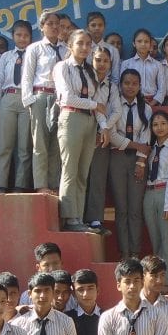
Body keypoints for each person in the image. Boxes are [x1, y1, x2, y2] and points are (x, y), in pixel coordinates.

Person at [56, 29, 105, 232]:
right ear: (70, 46)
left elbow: (100, 103)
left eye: (88, 44)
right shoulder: (62, 67)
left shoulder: (89, 71)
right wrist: (94, 105)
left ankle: (79, 217)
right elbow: (67, 98)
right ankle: (69, 218)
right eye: (80, 43)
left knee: (83, 172)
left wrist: (104, 126)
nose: (85, 48)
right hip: (71, 117)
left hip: (90, 121)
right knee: (70, 169)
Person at [107, 68, 152, 258]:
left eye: (134, 83)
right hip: (117, 157)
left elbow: (147, 137)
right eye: (126, 83)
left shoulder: (146, 108)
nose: (130, 87)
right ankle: (124, 253)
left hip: (137, 160)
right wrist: (135, 145)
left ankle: (135, 252)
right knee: (121, 208)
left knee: (135, 209)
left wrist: (141, 163)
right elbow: (112, 134)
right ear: (120, 85)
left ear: (140, 85)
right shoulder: (113, 106)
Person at [22, 9, 65, 195]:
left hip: (61, 98)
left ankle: (54, 183)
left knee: (56, 143)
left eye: (57, 23)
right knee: (40, 142)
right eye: (50, 23)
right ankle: (41, 184)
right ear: (42, 27)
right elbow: (27, 76)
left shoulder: (66, 49)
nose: (54, 27)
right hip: (40, 95)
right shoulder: (35, 48)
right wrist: (29, 101)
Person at [0, 19, 34, 193]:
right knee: (4, 144)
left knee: (24, 146)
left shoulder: (34, 55)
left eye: (26, 35)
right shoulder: (6, 56)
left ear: (31, 37)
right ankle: (0, 184)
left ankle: (20, 184)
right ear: (13, 36)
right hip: (8, 98)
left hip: (26, 100)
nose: (22, 38)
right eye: (18, 35)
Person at [143, 110, 168, 289]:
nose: (159, 127)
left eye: (163, 123)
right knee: (155, 238)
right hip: (149, 194)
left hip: (164, 192)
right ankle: (156, 279)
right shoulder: (149, 149)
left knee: (167, 239)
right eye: (155, 124)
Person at [83, 45, 117, 234]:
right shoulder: (86, 80)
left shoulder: (112, 86)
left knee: (98, 177)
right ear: (91, 60)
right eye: (98, 60)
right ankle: (77, 216)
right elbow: (95, 108)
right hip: (84, 132)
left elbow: (116, 111)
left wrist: (105, 129)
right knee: (81, 176)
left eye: (105, 60)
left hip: (102, 136)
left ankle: (95, 219)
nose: (101, 64)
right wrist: (102, 126)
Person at [120, 28, 162, 105]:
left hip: (154, 102)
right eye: (139, 41)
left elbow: (162, 89)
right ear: (134, 44)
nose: (143, 44)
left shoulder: (158, 65)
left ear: (150, 44)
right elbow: (122, 86)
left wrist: (152, 103)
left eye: (146, 41)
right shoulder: (126, 64)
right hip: (133, 102)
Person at [85, 11, 122, 80]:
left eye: (100, 25)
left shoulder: (113, 50)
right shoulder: (84, 49)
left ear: (104, 27)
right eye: (93, 25)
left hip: (107, 88)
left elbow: (115, 77)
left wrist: (109, 89)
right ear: (88, 28)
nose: (97, 28)